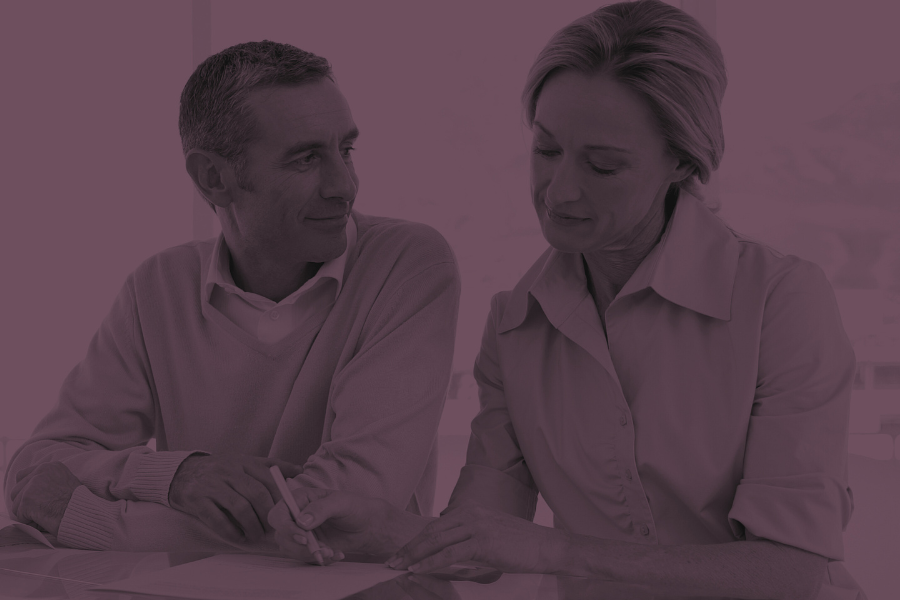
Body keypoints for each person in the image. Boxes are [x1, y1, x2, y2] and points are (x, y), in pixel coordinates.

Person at [269, 2, 865, 598]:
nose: (559, 191)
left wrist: (556, 550)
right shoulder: (513, 323)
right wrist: (377, 528)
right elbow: (481, 544)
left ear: (682, 160)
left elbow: (794, 570)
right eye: (547, 150)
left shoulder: (780, 301)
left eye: (603, 165)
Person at [4, 41, 460, 556]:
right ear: (213, 178)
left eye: (346, 150)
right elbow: (34, 469)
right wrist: (175, 474)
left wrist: (91, 522)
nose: (345, 185)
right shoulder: (157, 286)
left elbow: (347, 514)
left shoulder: (410, 264)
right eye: (306, 158)